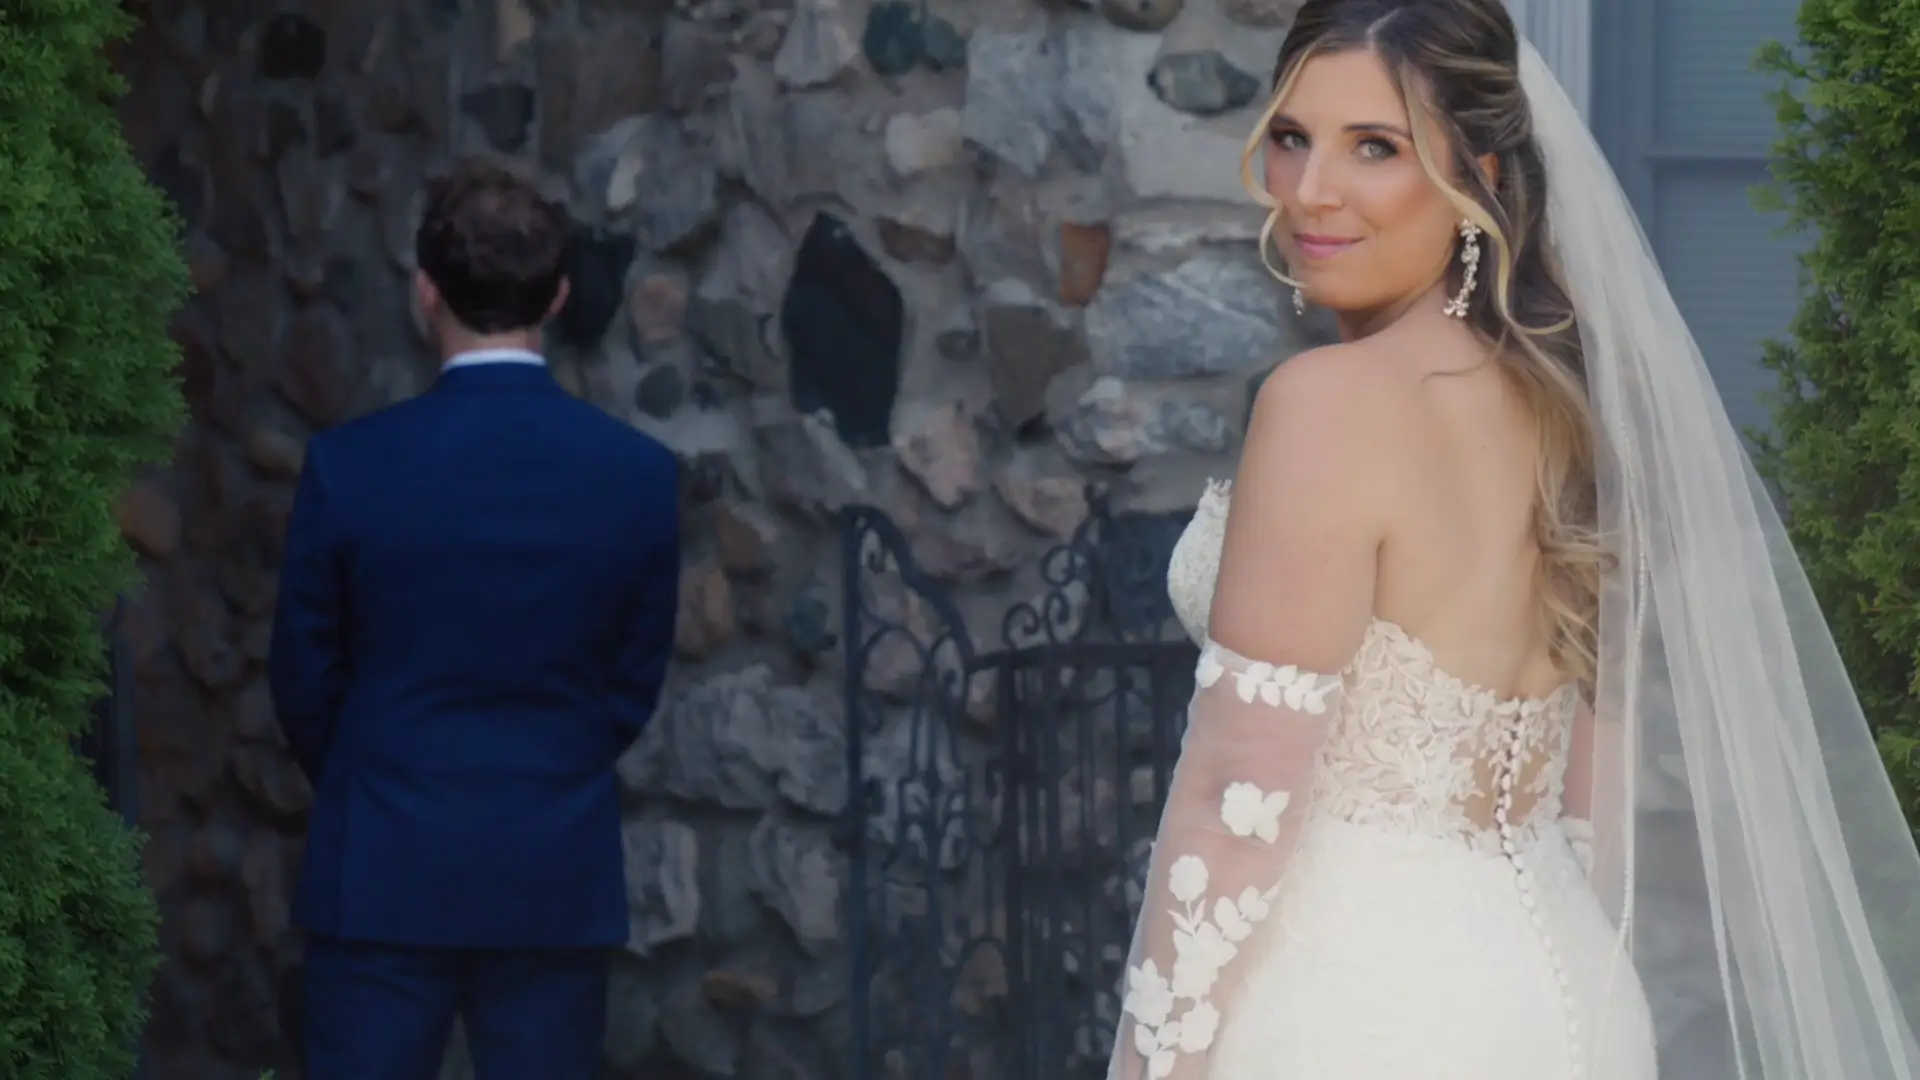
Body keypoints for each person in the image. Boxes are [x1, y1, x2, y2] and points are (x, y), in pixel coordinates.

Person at [1107, 2, 1920, 1078]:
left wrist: (1154, 1056)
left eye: (1377, 148)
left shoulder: (1325, 405)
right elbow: (1594, 786)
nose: (1310, 192)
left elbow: (1233, 792)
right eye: (1294, 137)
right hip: (1568, 992)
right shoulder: (1570, 408)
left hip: (1359, 1006)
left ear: (1478, 172)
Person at [268, 159, 681, 1080]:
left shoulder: (350, 467)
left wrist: (378, 770)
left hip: (381, 862)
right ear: (561, 295)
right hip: (548, 863)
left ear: (426, 292)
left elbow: (304, 675)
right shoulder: (637, 476)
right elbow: (630, 683)